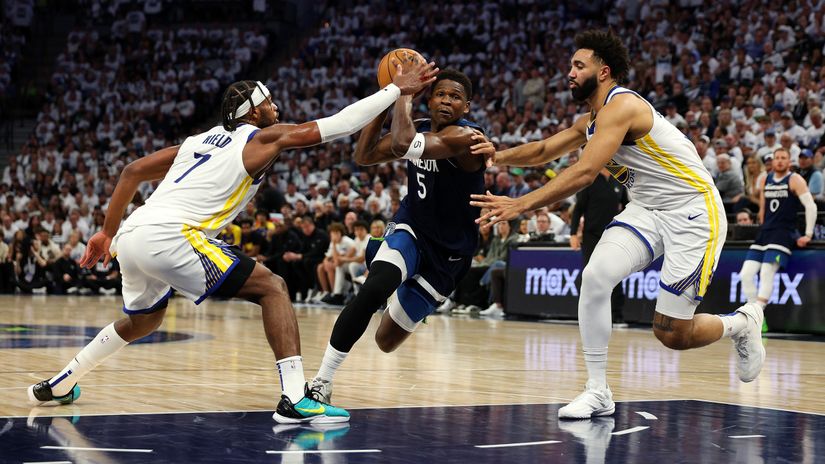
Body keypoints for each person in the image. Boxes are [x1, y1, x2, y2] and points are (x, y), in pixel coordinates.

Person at [26, 59, 438, 425]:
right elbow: (337, 125)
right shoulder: (261, 138)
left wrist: (106, 232)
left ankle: (63, 383)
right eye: (269, 102)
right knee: (273, 288)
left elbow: (132, 171)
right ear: (254, 111)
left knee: (144, 320)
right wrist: (393, 91)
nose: (275, 107)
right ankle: (294, 397)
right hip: (173, 234)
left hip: (134, 233)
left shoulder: (194, 142)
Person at [470, 30, 765, 419]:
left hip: (693, 211)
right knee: (595, 277)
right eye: (570, 65)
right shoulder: (590, 120)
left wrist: (521, 203)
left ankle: (742, 323)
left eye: (579, 65)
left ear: (604, 71)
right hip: (646, 210)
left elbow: (586, 171)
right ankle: (598, 390)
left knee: (672, 334)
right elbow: (543, 150)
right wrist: (496, 156)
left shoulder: (621, 106)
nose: (570, 73)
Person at [309, 69, 495, 404]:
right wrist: (387, 97)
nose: (446, 101)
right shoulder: (418, 126)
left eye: (455, 97)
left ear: (466, 107)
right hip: (412, 227)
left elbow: (401, 143)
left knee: (386, 340)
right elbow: (363, 156)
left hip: (450, 254)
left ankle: (405, 283)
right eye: (440, 94)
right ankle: (322, 382)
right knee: (373, 289)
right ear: (430, 96)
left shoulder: (467, 139)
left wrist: (402, 94)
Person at [738, 148, 817, 323]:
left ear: (789, 162)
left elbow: (811, 206)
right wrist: (762, 222)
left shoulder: (795, 179)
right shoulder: (765, 179)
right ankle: (756, 316)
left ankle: (755, 318)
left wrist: (808, 234)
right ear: (772, 162)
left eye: (784, 158)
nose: (780, 161)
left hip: (783, 233)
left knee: (767, 272)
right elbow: (763, 209)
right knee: (746, 274)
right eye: (777, 158)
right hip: (765, 232)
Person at [570, 168, 627, 324]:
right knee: (590, 274)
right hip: (591, 236)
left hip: (613, 236)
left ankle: (616, 315)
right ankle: (589, 313)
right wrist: (573, 233)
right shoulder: (590, 179)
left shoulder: (619, 180)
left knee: (615, 274)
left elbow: (627, 206)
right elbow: (578, 209)